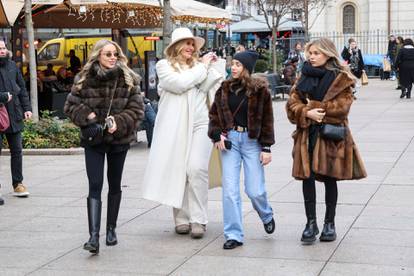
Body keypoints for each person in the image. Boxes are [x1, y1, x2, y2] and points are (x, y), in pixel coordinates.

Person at [142, 27, 225, 239]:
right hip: (175, 125)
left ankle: (199, 219)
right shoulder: (164, 66)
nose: (190, 47)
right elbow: (179, 84)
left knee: (196, 168)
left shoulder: (199, 66)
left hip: (201, 123)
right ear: (176, 46)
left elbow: (205, 86)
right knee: (179, 169)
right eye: (186, 43)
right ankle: (181, 218)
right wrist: (202, 68)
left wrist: (213, 68)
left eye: (192, 44)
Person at [64, 39, 144, 254]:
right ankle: (93, 237)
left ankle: (111, 229)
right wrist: (86, 115)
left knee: (115, 183)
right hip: (94, 140)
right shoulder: (83, 79)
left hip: (118, 140)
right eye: (108, 54)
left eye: (115, 54)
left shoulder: (128, 79)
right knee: (95, 184)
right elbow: (70, 106)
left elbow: (137, 111)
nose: (112, 58)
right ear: (98, 55)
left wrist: (118, 122)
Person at [286, 38, 367, 245]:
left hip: (331, 137)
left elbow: (341, 109)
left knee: (330, 179)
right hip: (307, 135)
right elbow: (291, 106)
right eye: (310, 53)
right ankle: (310, 223)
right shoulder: (303, 76)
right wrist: (306, 113)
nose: (311, 57)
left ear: (328, 54)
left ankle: (329, 223)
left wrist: (311, 107)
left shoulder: (342, 79)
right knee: (307, 177)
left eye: (316, 53)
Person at [208, 50, 276, 250]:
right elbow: (213, 115)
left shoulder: (260, 90)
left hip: (252, 142)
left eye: (238, 64)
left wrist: (266, 147)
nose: (233, 68)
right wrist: (216, 134)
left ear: (246, 68)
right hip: (230, 142)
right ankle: (233, 234)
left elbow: (267, 120)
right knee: (229, 191)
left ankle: (266, 214)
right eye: (232, 64)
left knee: (254, 190)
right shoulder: (224, 88)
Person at [0, 40, 32, 205]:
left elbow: (22, 88)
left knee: (17, 151)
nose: (2, 51)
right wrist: (2, 97)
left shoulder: (13, 66)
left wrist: (27, 108)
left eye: (4, 48)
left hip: (15, 114)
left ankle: (18, 184)